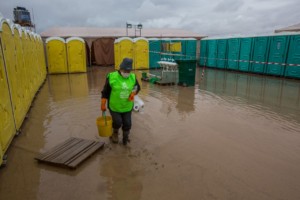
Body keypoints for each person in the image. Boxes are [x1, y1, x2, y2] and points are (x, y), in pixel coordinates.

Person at [101, 58, 141, 145]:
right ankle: (115, 133)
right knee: (117, 122)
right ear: (120, 68)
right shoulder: (112, 77)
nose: (127, 72)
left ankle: (125, 138)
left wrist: (133, 93)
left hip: (127, 106)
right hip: (114, 106)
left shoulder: (133, 77)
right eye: (125, 70)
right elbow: (105, 92)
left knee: (127, 123)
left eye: (128, 71)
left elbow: (137, 87)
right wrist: (103, 104)